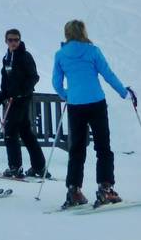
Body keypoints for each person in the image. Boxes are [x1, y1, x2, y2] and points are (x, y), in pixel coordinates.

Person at [52, 19, 137, 208]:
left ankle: (74, 190)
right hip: (96, 102)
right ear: (83, 32)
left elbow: (56, 82)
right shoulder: (93, 51)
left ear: (67, 33)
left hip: (75, 105)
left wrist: (67, 95)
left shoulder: (60, 55)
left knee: (77, 149)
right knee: (103, 147)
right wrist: (124, 92)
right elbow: (108, 74)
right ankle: (105, 188)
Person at [0, 28, 47, 179]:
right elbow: (6, 81)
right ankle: (39, 166)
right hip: (12, 99)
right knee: (25, 132)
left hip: (22, 99)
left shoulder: (24, 56)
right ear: (6, 41)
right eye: (10, 40)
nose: (13, 43)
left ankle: (15, 167)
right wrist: (1, 97)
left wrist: (22, 91)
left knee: (10, 131)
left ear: (20, 40)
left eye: (16, 40)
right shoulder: (7, 58)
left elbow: (34, 77)